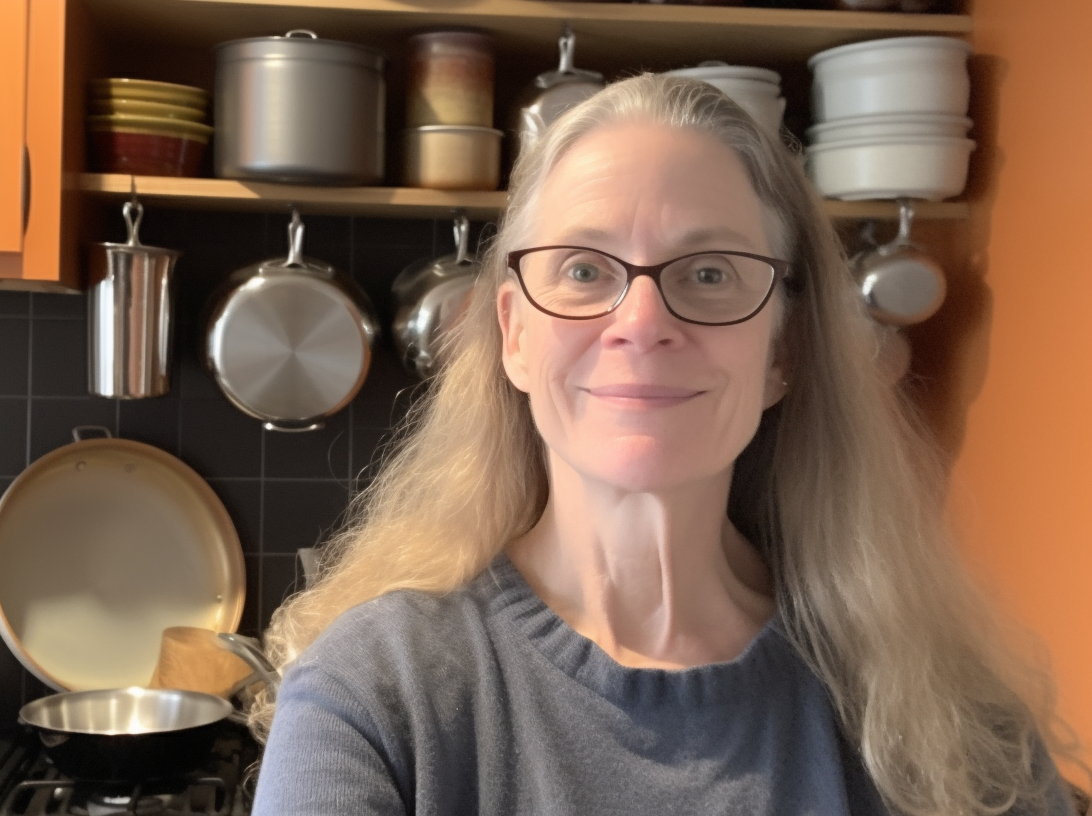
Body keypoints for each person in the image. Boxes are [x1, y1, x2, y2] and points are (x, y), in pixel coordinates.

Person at [249, 73, 1082, 816]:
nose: (642, 324)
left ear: (784, 351)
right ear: (514, 336)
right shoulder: (375, 696)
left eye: (710, 272)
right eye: (583, 270)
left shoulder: (936, 714)